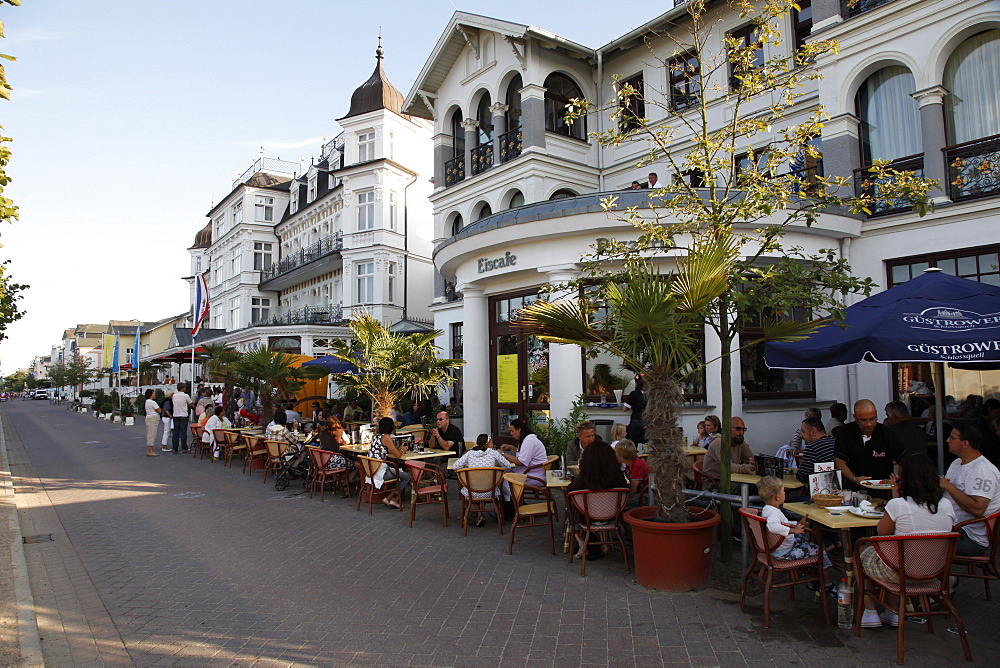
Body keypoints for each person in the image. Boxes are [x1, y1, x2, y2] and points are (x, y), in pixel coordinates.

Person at [858, 454, 958, 628]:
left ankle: (870, 611)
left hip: (901, 574)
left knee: (862, 548)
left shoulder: (898, 505)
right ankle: (893, 612)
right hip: (935, 572)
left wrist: (896, 496)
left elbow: (882, 533)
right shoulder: (946, 505)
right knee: (895, 554)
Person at [758, 475, 835, 595]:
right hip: (784, 553)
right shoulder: (773, 513)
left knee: (806, 541)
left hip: (777, 548)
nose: (785, 493)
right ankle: (827, 584)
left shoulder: (768, 509)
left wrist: (796, 524)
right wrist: (793, 531)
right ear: (777, 497)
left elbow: (781, 523)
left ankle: (815, 578)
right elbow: (773, 526)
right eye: (783, 491)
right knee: (821, 551)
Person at [939, 423, 1000, 557]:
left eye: (952, 437)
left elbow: (978, 509)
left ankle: (936, 577)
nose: (947, 440)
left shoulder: (982, 470)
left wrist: (948, 486)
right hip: (953, 527)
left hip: (970, 537)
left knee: (919, 543)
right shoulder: (956, 463)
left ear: (965, 443)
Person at [568, 440, 628, 559]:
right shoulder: (618, 478)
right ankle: (604, 541)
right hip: (611, 517)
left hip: (587, 518)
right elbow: (626, 491)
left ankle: (581, 541)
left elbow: (570, 491)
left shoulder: (583, 480)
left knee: (570, 506)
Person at [834, 399, 905, 492]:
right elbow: (840, 463)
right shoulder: (846, 432)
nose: (869, 424)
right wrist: (855, 479)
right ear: (855, 417)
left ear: (876, 413)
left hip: (883, 489)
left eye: (872, 419)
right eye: (863, 420)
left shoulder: (887, 433)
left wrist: (900, 478)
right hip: (854, 490)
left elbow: (903, 460)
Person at [452, 434, 512, 527]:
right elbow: (507, 465)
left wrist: (468, 466)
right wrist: (496, 466)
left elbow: (455, 466)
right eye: (491, 441)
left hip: (472, 493)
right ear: (488, 443)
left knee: (473, 487)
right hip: (490, 492)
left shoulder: (469, 454)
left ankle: (479, 514)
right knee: (483, 485)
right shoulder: (494, 453)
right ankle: (482, 515)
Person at [498, 418, 548, 500]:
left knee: (504, 480)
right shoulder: (527, 439)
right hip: (532, 472)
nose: (511, 434)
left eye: (512, 431)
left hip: (534, 476)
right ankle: (513, 504)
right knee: (504, 477)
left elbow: (521, 461)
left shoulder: (529, 441)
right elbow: (522, 454)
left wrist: (503, 454)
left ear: (519, 430)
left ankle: (512, 505)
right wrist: (511, 447)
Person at [701, 416, 754, 490]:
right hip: (714, 483)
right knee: (745, 488)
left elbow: (751, 458)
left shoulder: (739, 440)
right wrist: (748, 468)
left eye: (743, 429)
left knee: (760, 486)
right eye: (738, 429)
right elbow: (728, 467)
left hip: (733, 478)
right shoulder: (719, 443)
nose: (741, 432)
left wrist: (754, 464)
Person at [368, 417, 411, 509]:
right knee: (406, 477)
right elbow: (398, 455)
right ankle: (391, 497)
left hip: (371, 471)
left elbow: (391, 451)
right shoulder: (386, 437)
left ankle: (391, 498)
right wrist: (402, 450)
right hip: (380, 472)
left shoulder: (377, 436)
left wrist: (398, 449)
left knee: (399, 472)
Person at [796, 417, 835, 485]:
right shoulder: (836, 441)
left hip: (822, 491)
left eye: (803, 431)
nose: (801, 435)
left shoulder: (812, 447)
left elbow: (803, 477)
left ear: (813, 431)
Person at [615, 438, 649, 507]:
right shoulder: (628, 465)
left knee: (618, 503)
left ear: (622, 455)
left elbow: (632, 492)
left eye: (616, 453)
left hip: (647, 495)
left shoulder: (637, 466)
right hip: (641, 492)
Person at [171, 383, 194, 454]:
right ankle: (184, 447)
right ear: (182, 388)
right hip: (183, 415)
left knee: (176, 432)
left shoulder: (174, 396)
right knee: (183, 432)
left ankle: (175, 448)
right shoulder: (185, 396)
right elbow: (190, 404)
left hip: (176, 415)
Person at [623, 375, 646, 443]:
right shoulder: (651, 394)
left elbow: (625, 409)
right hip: (647, 422)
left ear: (636, 383)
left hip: (635, 421)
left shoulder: (634, 394)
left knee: (632, 444)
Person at [143, 389, 160, 457]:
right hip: (153, 419)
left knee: (150, 434)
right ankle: (150, 450)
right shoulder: (152, 402)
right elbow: (159, 410)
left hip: (149, 418)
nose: (154, 395)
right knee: (152, 434)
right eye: (153, 393)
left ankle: (150, 449)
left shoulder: (147, 402)